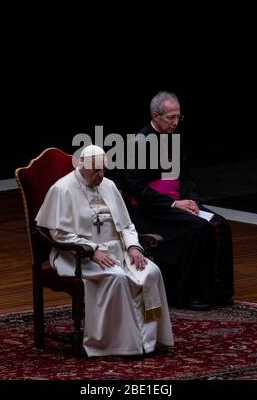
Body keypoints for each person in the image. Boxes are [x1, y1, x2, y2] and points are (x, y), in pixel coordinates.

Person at [35, 144, 174, 357]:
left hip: (118, 251)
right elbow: (60, 234)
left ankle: (148, 342)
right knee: (116, 277)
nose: (101, 175)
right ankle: (117, 344)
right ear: (83, 166)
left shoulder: (108, 185)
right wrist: (91, 251)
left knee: (151, 272)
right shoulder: (62, 189)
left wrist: (134, 247)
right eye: (97, 170)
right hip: (77, 256)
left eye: (104, 170)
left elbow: (126, 225)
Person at [123, 91, 234, 310]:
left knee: (220, 224)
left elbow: (186, 177)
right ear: (156, 116)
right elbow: (136, 188)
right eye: (171, 117)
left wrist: (191, 200)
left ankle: (219, 293)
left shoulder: (175, 140)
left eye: (178, 117)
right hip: (151, 210)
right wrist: (173, 204)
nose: (176, 122)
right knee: (197, 229)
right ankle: (192, 295)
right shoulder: (137, 143)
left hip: (178, 203)